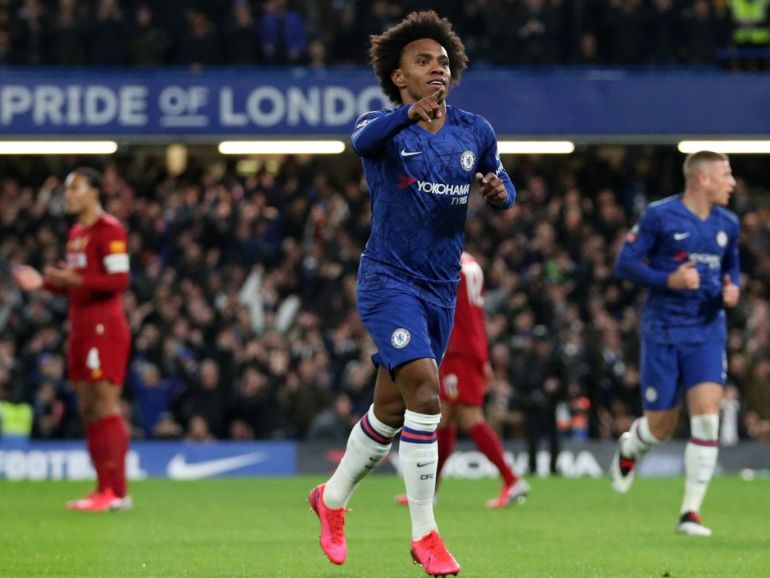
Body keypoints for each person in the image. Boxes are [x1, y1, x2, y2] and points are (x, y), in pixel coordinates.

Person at [308, 11, 515, 577]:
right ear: (400, 77)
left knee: (391, 409)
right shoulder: (385, 127)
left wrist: (499, 190)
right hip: (387, 280)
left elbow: (504, 183)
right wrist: (407, 115)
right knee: (426, 397)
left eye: (443, 62)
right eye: (424, 62)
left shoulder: (474, 130)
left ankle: (329, 500)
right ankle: (426, 535)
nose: (437, 69)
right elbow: (360, 140)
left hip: (440, 287)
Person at [610, 151, 740, 537]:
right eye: (725, 174)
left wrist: (734, 289)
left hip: (706, 330)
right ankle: (632, 445)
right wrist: (670, 280)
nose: (732, 182)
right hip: (663, 330)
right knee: (661, 426)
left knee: (706, 416)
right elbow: (625, 263)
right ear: (702, 179)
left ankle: (690, 513)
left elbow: (732, 266)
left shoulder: (728, 224)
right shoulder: (660, 215)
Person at [13, 167, 132, 512]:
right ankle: (102, 489)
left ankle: (119, 493)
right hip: (79, 329)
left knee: (106, 405)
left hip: (104, 329)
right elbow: (75, 280)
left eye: (75, 188)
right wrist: (44, 284)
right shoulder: (77, 232)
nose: (69, 195)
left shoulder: (109, 230)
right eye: (67, 189)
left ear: (95, 192)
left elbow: (119, 280)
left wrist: (75, 280)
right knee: (88, 409)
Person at [396, 252, 529, 508]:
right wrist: (482, 356)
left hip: (458, 350)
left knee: (470, 417)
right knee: (444, 419)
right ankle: (428, 492)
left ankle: (512, 480)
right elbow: (475, 314)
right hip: (467, 348)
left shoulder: (446, 263)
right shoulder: (471, 263)